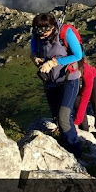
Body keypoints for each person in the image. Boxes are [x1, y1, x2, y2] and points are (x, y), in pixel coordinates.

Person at [30, 12, 83, 157]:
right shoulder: (36, 34)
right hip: (51, 81)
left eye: (45, 32)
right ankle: (66, 145)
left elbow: (78, 55)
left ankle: (76, 153)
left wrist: (54, 62)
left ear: (52, 27)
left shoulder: (65, 32)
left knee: (64, 116)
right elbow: (33, 49)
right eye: (38, 32)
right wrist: (35, 58)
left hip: (69, 79)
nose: (42, 36)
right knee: (57, 117)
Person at [74, 59, 96, 144]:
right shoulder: (72, 72)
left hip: (95, 77)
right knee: (76, 100)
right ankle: (84, 130)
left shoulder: (87, 72)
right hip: (77, 78)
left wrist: (76, 122)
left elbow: (85, 99)